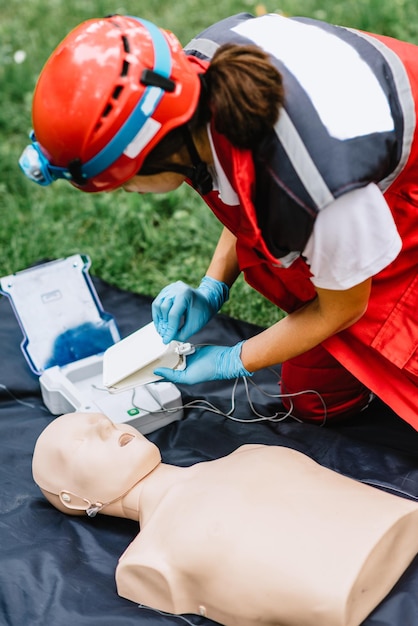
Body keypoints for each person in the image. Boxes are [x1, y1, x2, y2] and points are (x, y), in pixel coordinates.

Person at [19, 12, 418, 427]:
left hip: (402, 193)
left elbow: (343, 310)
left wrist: (234, 360)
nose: (127, 192)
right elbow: (244, 184)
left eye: (123, 181)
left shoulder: (316, 185)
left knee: (396, 353)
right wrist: (213, 287)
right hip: (351, 187)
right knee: (315, 397)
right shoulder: (196, 82)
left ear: (157, 152)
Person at [32, 411, 418, 626]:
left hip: (401, 523)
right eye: (85, 442)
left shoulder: (249, 452)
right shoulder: (147, 562)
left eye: (106, 420)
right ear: (74, 498)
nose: (107, 426)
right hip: (348, 598)